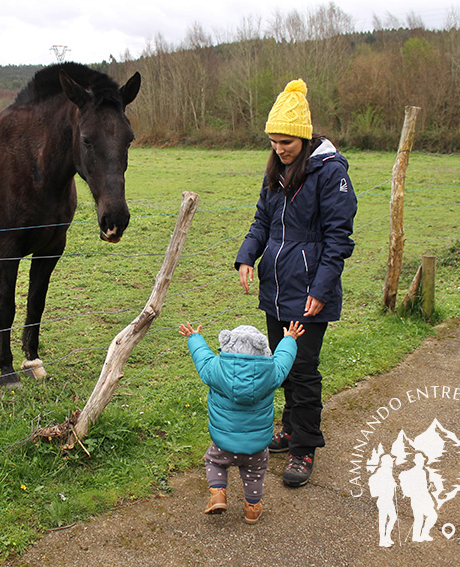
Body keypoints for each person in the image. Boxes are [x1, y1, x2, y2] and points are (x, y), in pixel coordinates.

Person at [235, 78, 357, 488]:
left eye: (285, 141)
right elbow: (262, 223)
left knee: (302, 372)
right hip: (275, 288)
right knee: (280, 367)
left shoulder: (330, 174)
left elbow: (339, 239)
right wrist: (246, 256)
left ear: (304, 138)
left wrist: (321, 290)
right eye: (273, 141)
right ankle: (288, 431)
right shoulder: (276, 172)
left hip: (308, 292)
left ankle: (304, 448)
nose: (279, 149)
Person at [179, 321, 304, 524]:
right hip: (257, 446)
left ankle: (218, 493)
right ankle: (252, 508)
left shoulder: (216, 369)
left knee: (214, 461)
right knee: (254, 473)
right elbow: (284, 359)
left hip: (223, 443)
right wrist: (289, 338)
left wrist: (194, 338)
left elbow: (202, 357)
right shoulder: (271, 372)